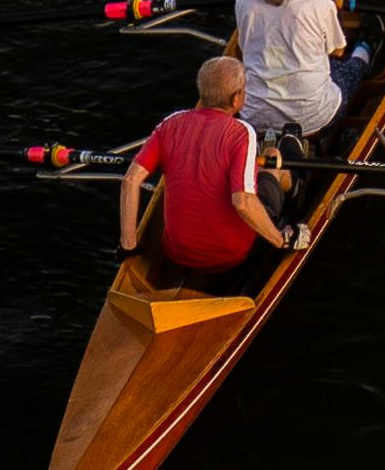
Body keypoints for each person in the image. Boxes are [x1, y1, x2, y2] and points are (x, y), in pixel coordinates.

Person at [120, 52, 308, 294]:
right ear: (236, 99)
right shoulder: (241, 133)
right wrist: (281, 240)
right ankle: (297, 190)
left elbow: (130, 180)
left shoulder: (169, 124)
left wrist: (128, 246)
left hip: (176, 252)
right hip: (233, 255)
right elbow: (242, 201)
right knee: (276, 166)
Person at [234, 0, 372, 147]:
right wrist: (330, 8)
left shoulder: (243, 0)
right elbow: (337, 51)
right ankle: (368, 44)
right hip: (314, 118)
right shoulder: (318, 5)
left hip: (254, 117)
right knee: (353, 63)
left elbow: (244, 48)